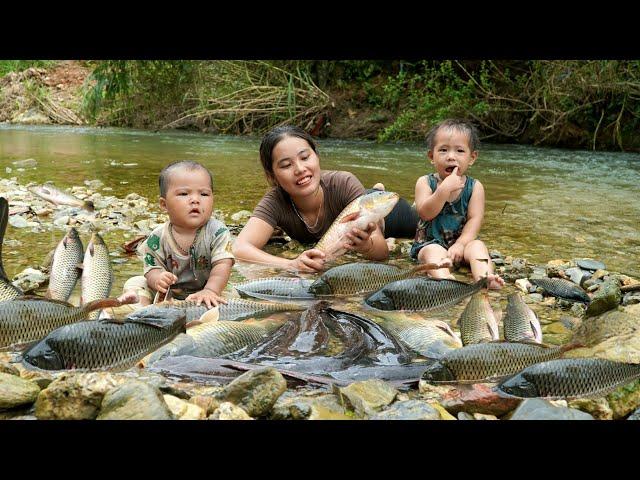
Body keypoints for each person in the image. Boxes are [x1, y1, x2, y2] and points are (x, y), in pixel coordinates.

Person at [232, 125, 390, 273]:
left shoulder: (344, 183)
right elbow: (239, 248)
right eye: (286, 165)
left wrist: (367, 246)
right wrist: (290, 263)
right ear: (272, 176)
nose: (300, 169)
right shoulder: (275, 201)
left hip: (381, 209)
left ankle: (376, 191)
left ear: (316, 156)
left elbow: (382, 253)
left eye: (305, 157)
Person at [123, 160, 234, 308]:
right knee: (135, 282)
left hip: (208, 290)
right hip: (169, 294)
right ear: (164, 204)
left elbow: (223, 265)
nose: (195, 200)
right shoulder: (157, 237)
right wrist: (158, 279)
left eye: (204, 194)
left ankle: (206, 312)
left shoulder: (217, 232)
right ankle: (139, 309)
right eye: (183, 193)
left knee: (231, 296)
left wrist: (210, 290)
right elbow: (151, 268)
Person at [410, 119, 504, 289]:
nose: (451, 156)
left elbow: (474, 219)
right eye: (443, 150)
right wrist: (443, 191)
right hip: (430, 243)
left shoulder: (474, 187)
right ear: (431, 156)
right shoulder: (424, 183)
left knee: (478, 246)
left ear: (472, 158)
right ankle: (447, 281)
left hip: (462, 243)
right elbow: (425, 213)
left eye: (460, 151)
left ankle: (484, 277)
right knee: (432, 252)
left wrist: (461, 244)